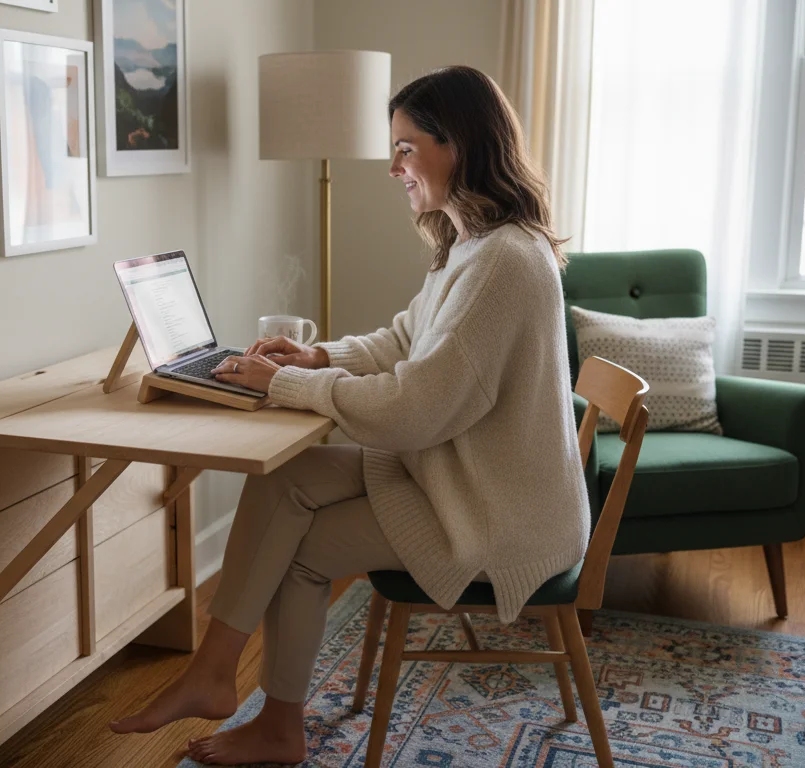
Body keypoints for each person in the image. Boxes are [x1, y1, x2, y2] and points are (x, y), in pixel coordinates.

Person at [109, 65, 591, 766]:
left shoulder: (505, 263)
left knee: (301, 552)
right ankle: (214, 674)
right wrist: (314, 357)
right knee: (285, 478)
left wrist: (286, 387)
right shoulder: (475, 244)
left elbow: (414, 411)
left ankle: (276, 725)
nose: (394, 167)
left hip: (496, 515)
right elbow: (404, 341)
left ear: (457, 144)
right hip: (461, 478)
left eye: (405, 147)